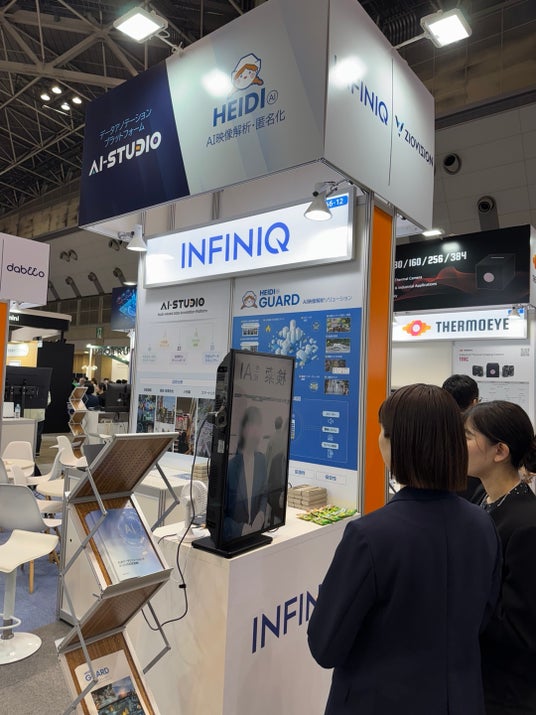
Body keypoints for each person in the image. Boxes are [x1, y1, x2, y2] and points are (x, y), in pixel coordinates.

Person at [308, 384, 501, 715]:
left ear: (397, 443)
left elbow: (325, 646)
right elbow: (483, 618)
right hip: (461, 699)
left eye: (382, 431)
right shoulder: (483, 524)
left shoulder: (369, 536)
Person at [464, 400, 536, 714]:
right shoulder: (482, 497)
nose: (457, 444)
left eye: (467, 436)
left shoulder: (526, 525)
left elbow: (519, 631)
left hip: (504, 693)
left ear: (500, 451)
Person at [224, 405, 268, 541]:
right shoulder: (231, 467)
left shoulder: (261, 461)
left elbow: (263, 494)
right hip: (235, 539)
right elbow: (221, 517)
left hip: (256, 535)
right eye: (251, 424)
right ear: (243, 430)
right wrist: (241, 529)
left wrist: (261, 514)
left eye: (258, 425)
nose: (255, 430)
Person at [443, 374, 481, 500]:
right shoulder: (481, 432)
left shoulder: (432, 428)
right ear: (474, 402)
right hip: (472, 495)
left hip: (435, 497)